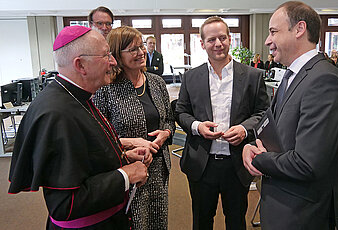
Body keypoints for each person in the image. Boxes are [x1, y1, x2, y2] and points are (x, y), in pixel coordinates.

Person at [8, 26, 151, 229]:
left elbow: (83, 157)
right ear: (81, 65)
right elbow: (66, 205)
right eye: (106, 55)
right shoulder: (57, 114)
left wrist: (122, 157)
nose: (112, 62)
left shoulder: (74, 96)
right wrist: (126, 175)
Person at [242, 2, 338, 229]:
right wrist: (252, 145)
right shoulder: (293, 75)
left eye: (273, 32)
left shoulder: (325, 81)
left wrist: (259, 159)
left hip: (302, 214)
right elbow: (273, 127)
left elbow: (307, 163)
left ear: (299, 29)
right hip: (280, 203)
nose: (267, 41)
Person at [175, 16, 269, 230]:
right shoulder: (191, 77)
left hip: (237, 163)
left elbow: (263, 112)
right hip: (201, 163)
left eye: (222, 37)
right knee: (201, 221)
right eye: (211, 40)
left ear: (230, 39)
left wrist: (245, 129)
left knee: (236, 221)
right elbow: (181, 112)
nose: (217, 43)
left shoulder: (253, 76)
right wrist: (197, 127)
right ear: (202, 44)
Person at [93, 26, 175, 230]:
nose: (141, 53)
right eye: (133, 49)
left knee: (158, 223)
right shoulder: (106, 89)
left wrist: (165, 134)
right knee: (136, 224)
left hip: (159, 169)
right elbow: (98, 136)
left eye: (141, 47)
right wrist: (129, 145)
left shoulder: (156, 83)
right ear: (117, 55)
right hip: (128, 171)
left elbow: (169, 121)